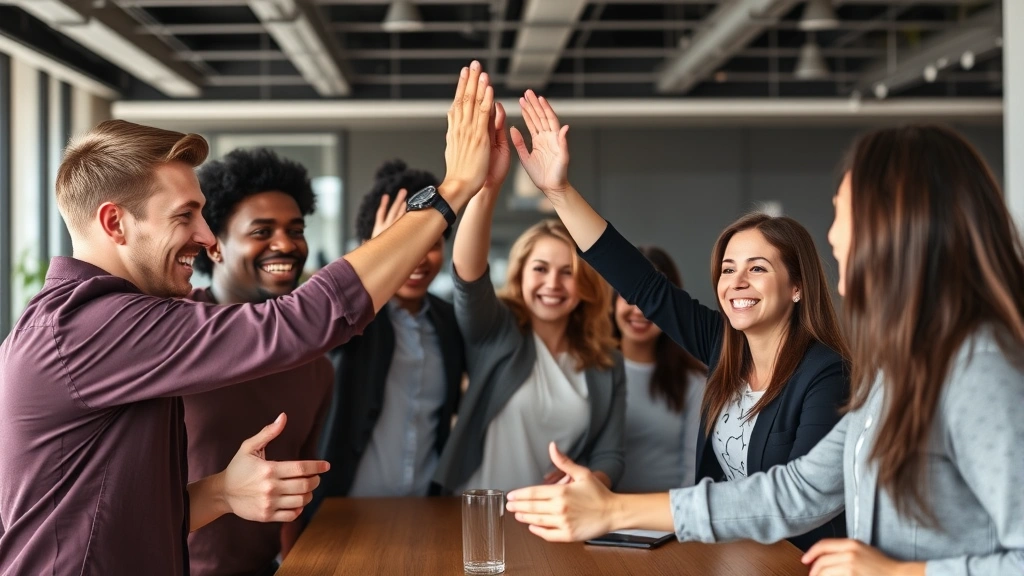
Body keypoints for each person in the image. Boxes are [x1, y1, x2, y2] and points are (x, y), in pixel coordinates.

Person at [0, 61, 496, 574]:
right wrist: (454, 188)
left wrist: (220, 492)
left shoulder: (95, 323)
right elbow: (298, 322)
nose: (206, 236)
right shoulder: (91, 324)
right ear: (115, 223)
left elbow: (114, 522)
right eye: (183, 215)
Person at [507, 123, 1024, 574]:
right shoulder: (902, 370)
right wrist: (612, 511)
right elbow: (797, 491)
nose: (834, 236)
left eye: (841, 213)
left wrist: (899, 574)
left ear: (896, 224)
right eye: (729, 269)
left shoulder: (977, 370)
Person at [502, 91, 849, 551]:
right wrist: (560, 193)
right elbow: (645, 286)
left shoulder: (826, 374)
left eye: (758, 268)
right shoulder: (724, 347)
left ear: (798, 286)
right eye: (728, 269)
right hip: (730, 556)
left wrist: (614, 508)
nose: (737, 282)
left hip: (797, 564)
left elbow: (796, 501)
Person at [432, 102, 626, 495]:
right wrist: (487, 188)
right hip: (475, 515)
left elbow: (611, 454)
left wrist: (589, 478)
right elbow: (468, 277)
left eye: (568, 272)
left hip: (554, 518)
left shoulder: (606, 362)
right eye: (540, 269)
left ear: (585, 286)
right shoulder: (497, 331)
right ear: (519, 275)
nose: (552, 283)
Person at [183, 147, 332, 575]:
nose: (284, 244)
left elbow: (293, 494)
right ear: (214, 248)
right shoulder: (173, 333)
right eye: (261, 230)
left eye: (295, 229)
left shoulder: (314, 362)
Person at [316, 160, 465, 500]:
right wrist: (375, 261)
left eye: (431, 242)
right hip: (345, 508)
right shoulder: (349, 318)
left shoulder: (449, 320)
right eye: (402, 242)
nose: (418, 257)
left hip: (427, 505)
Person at [613, 246, 705, 493]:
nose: (639, 309)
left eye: (652, 298)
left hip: (665, 523)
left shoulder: (693, 382)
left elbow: (692, 473)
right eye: (628, 294)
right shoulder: (592, 370)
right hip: (594, 520)